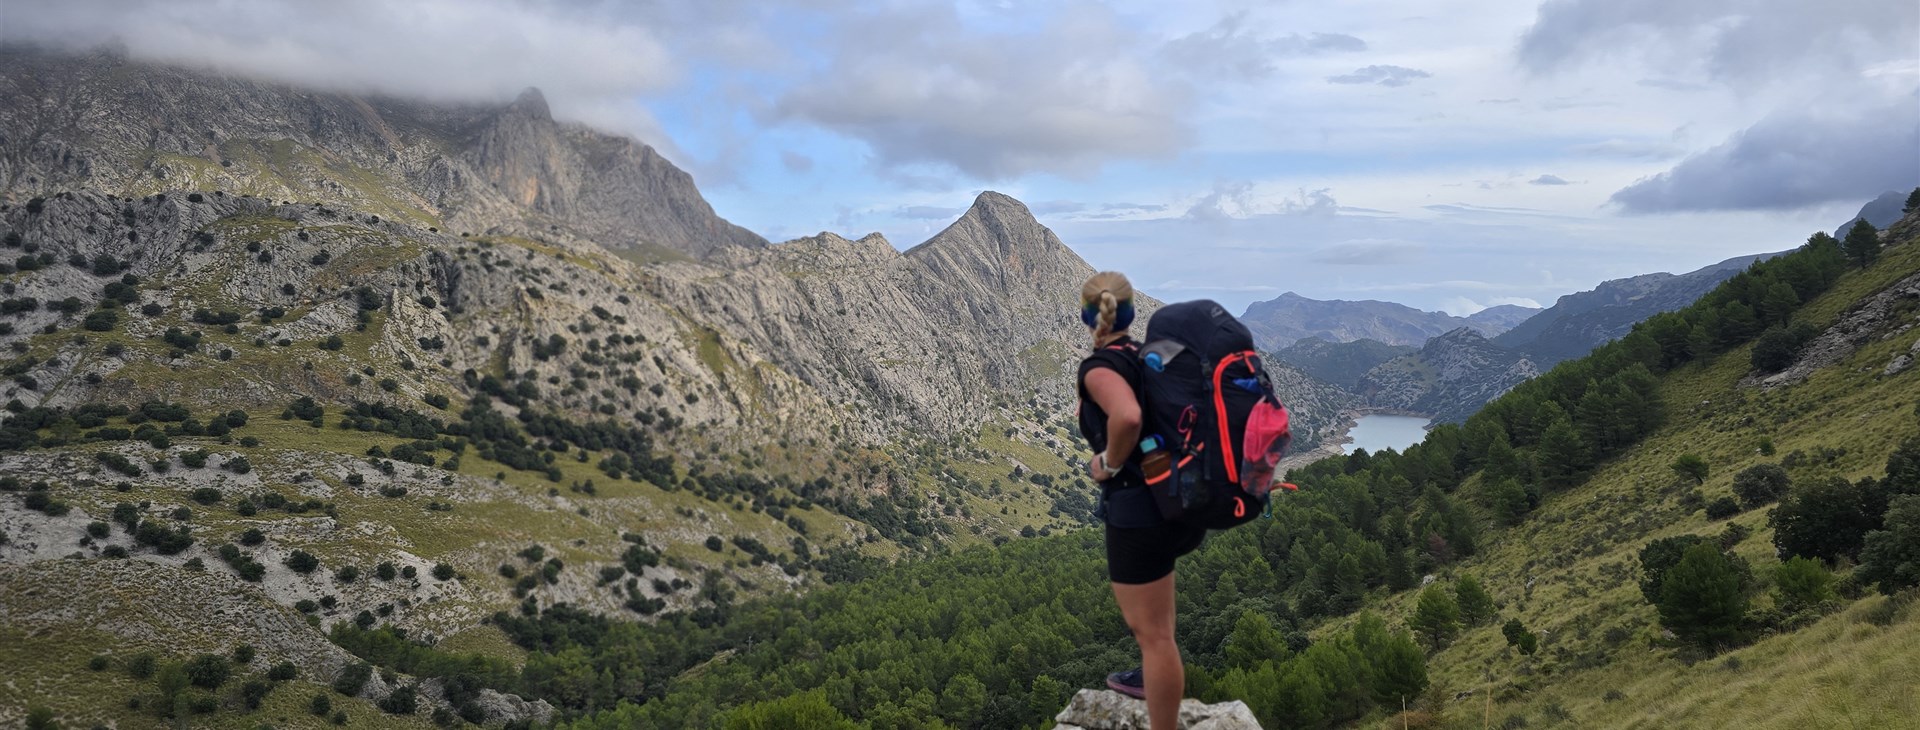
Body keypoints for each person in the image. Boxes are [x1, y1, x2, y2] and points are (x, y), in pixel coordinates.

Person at [1076, 271, 1205, 729]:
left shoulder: (1100, 367)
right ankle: (1147, 678)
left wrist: (1106, 464)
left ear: (1090, 315)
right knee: (1159, 632)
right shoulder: (1145, 356)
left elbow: (1128, 416)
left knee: (1153, 637)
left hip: (1138, 510)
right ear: (1130, 312)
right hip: (1175, 499)